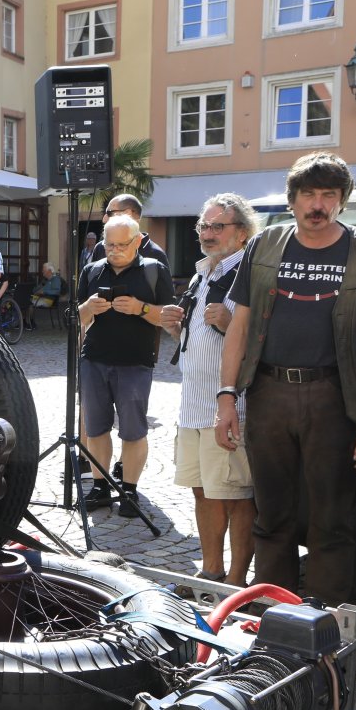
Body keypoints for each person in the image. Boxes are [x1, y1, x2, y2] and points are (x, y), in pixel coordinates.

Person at [215, 153, 356, 605]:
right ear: (292, 200)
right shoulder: (265, 244)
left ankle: (324, 620)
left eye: (328, 195)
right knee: (271, 515)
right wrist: (226, 397)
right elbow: (240, 326)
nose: (318, 205)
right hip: (268, 393)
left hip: (334, 397)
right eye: (309, 195)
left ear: (342, 200)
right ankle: (272, 614)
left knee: (331, 520)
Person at [160, 194, 259, 584]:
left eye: (219, 226)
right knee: (202, 490)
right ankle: (211, 572)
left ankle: (236, 580)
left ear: (242, 233)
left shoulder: (249, 273)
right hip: (193, 406)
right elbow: (200, 341)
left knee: (236, 495)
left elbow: (265, 341)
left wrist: (230, 323)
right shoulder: (203, 273)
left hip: (231, 406)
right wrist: (176, 329)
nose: (208, 233)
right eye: (204, 225)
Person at [79, 215, 174, 516]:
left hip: (135, 362)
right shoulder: (92, 270)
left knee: (133, 430)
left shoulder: (153, 270)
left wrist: (140, 308)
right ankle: (100, 486)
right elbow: (75, 319)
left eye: (122, 245)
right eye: (110, 245)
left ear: (137, 241)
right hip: (94, 360)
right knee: (96, 428)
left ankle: (129, 490)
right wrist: (87, 308)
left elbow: (170, 318)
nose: (115, 250)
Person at [90, 195, 167, 264]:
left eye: (109, 213)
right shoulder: (100, 248)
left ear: (127, 213)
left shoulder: (156, 254)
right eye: (110, 245)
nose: (104, 219)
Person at [25, 264, 64, 330]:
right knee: (24, 301)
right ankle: (25, 322)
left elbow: (57, 291)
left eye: (44, 270)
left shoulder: (56, 279)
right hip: (41, 298)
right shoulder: (45, 280)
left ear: (49, 271)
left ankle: (31, 323)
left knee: (29, 303)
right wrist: (38, 288)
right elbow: (35, 290)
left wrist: (44, 292)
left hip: (49, 300)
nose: (42, 272)